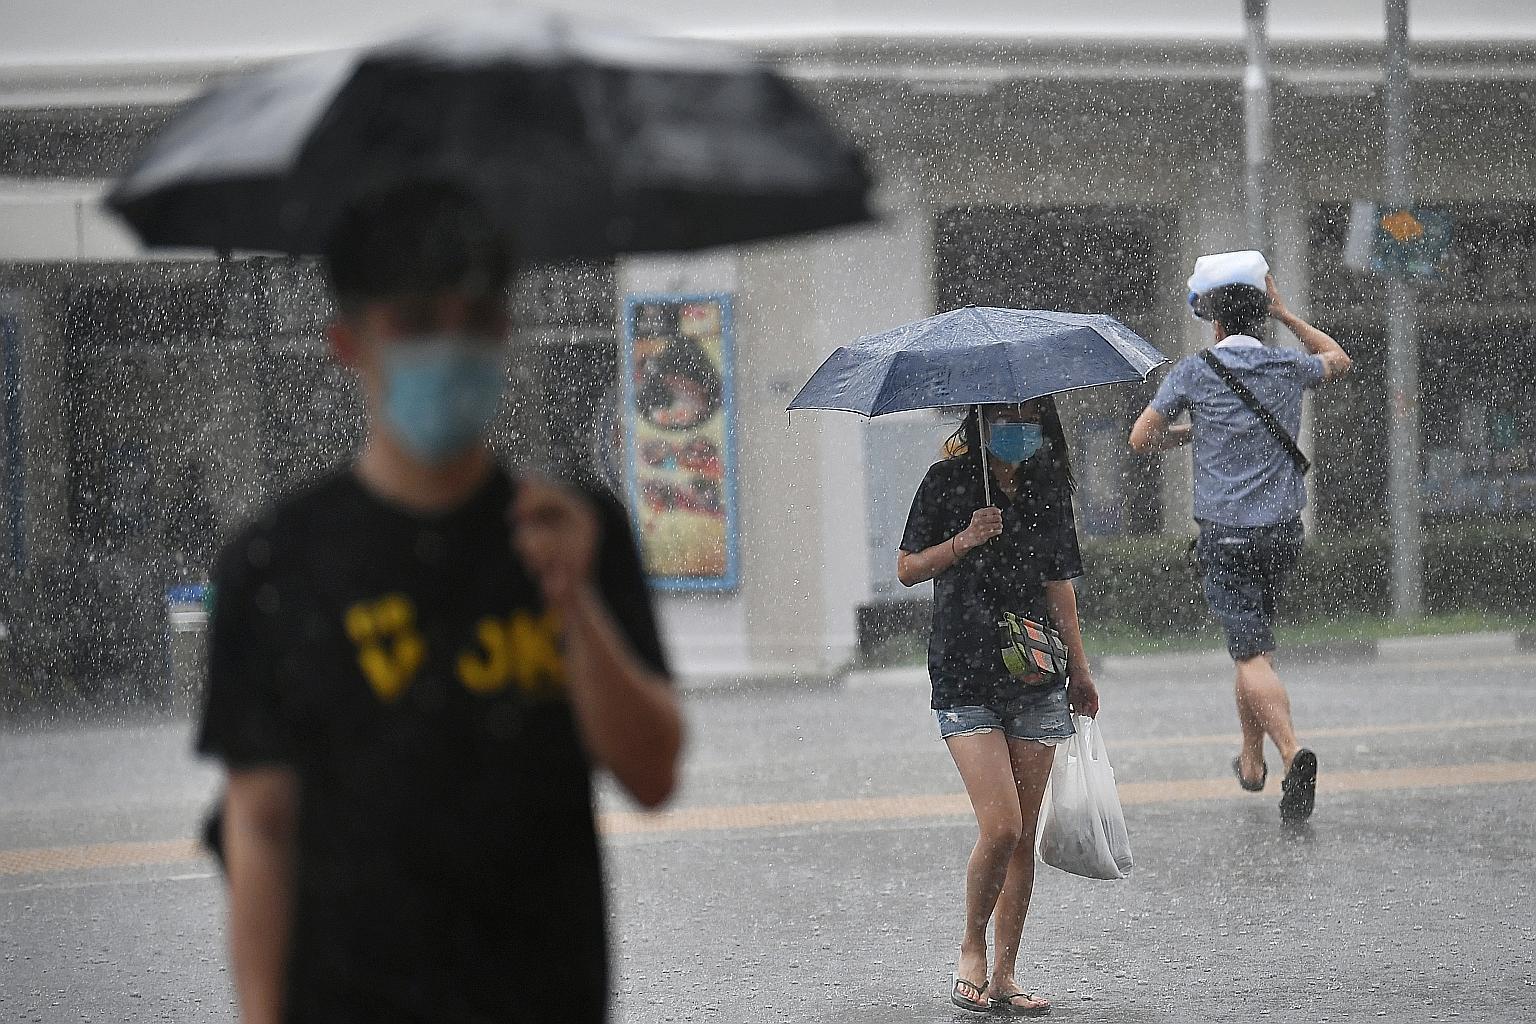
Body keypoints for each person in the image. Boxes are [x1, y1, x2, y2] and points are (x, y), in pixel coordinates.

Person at [196, 180, 685, 1024]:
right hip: (349, 997)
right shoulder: (276, 566)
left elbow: (651, 772)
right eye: (417, 324)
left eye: (477, 322)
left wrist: (574, 603)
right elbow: (261, 828)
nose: (451, 348)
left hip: (543, 994)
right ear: (348, 342)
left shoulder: (574, 528)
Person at [1129, 255, 1351, 824]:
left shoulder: (1194, 371)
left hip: (1226, 536)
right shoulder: (1283, 365)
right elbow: (1337, 359)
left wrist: (1188, 435)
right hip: (1282, 533)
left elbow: (1141, 438)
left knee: (1249, 652)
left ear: (1215, 324)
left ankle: (1291, 752)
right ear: (1261, 320)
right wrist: (1287, 315)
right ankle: (1252, 762)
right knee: (1256, 652)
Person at [897, 399, 1099, 1017]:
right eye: (1004, 417)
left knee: (1023, 838)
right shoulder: (947, 481)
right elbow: (907, 568)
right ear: (981, 421)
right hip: (963, 672)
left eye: (1029, 418)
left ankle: (1006, 975)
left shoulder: (1048, 489)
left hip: (1034, 672)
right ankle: (971, 947)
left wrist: (1080, 669)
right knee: (1001, 824)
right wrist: (966, 538)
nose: (1017, 430)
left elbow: (1058, 583)